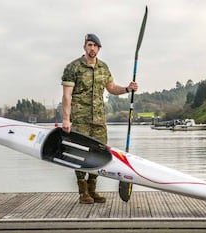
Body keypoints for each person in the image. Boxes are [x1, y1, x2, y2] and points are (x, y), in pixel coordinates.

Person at [61, 34, 138, 204]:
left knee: (99, 154)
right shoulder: (73, 68)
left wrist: (127, 88)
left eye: (95, 46)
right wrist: (66, 120)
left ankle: (93, 190)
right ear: (84, 47)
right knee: (80, 154)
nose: (92, 48)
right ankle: (83, 193)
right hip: (80, 120)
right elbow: (66, 96)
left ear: (99, 49)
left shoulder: (103, 68)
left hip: (99, 120)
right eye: (90, 45)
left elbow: (111, 88)